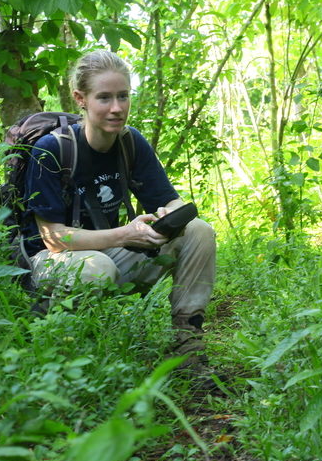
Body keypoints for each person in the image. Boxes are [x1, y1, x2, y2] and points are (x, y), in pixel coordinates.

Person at [19, 50, 216, 364]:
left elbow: (170, 199)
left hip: (106, 252)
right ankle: (67, 355)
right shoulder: (52, 150)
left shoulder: (130, 142)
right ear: (80, 99)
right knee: (97, 269)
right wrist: (126, 234)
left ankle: (188, 342)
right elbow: (54, 239)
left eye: (123, 96)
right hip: (53, 262)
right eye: (104, 98)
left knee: (198, 230)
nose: (116, 108)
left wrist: (169, 213)